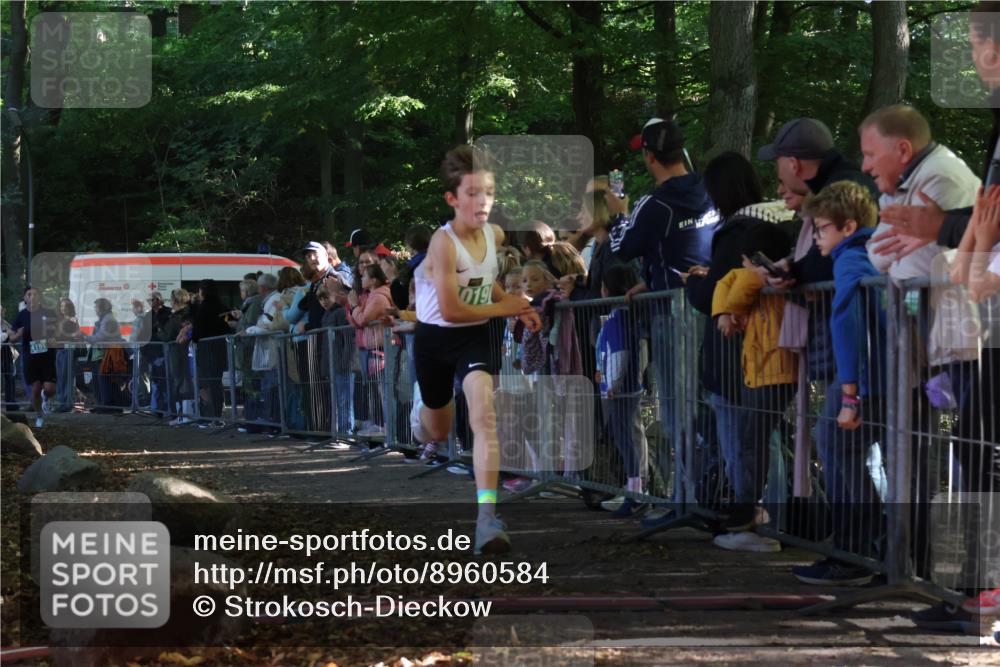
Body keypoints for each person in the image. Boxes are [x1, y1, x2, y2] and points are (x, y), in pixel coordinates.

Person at [410, 144, 540, 555]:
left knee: (484, 415)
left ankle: (487, 516)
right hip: (435, 338)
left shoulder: (494, 234)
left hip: (476, 334)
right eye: (471, 193)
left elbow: (487, 281)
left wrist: (512, 308)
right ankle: (420, 419)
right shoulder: (442, 244)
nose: (482, 201)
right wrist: (508, 307)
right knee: (439, 430)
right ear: (452, 199)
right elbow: (450, 309)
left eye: (488, 192)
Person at [680, 151, 784, 535]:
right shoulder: (774, 225)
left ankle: (751, 523)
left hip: (733, 356)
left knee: (740, 442)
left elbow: (713, 297)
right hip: (770, 352)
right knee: (763, 440)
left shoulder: (735, 231)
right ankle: (774, 517)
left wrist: (695, 282)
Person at [608, 118, 719, 475]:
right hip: (718, 304)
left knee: (677, 410)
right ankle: (718, 494)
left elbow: (622, 249)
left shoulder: (653, 204)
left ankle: (693, 497)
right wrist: (653, 278)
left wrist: (618, 216)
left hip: (676, 315)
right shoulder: (711, 188)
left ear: (650, 156)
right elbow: (689, 249)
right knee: (714, 402)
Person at [795, 181, 888, 586]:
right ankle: (867, 547)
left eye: (821, 229)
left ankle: (855, 549)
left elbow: (847, 324)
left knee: (836, 448)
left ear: (848, 226)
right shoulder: (871, 253)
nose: (815, 239)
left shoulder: (851, 261)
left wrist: (851, 392)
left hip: (867, 379)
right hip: (882, 376)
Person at [711, 224, 797, 552]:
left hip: (773, 372)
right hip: (759, 372)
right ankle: (750, 513)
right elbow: (725, 283)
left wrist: (733, 309)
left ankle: (752, 515)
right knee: (751, 443)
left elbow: (741, 283)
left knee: (753, 445)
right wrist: (724, 312)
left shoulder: (767, 278)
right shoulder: (757, 279)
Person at [596, 264, 649, 517]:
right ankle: (635, 490)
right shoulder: (628, 317)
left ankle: (635, 492)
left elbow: (619, 354)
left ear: (606, 290)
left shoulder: (618, 320)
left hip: (620, 391)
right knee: (628, 439)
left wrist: (612, 385)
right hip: (626, 388)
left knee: (626, 441)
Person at [348, 261, 393, 437]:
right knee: (375, 388)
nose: (362, 278)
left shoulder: (378, 297)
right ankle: (380, 425)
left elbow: (363, 320)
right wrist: (355, 310)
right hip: (373, 347)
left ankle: (387, 428)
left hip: (380, 346)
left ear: (373, 280)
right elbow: (356, 321)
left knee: (382, 389)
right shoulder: (372, 296)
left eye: (365, 276)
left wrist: (353, 306)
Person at [8, 287, 58, 427]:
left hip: (47, 356)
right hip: (30, 356)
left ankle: (46, 397)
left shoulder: (48, 313)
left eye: (35, 294)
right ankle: (39, 416)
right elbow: (11, 336)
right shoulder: (21, 315)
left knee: (50, 389)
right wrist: (18, 335)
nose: (32, 297)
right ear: (25, 298)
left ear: (39, 297)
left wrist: (54, 339)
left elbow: (57, 331)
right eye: (29, 294)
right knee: (35, 389)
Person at [190, 279, 230, 422]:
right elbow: (226, 324)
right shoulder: (222, 306)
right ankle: (217, 413)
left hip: (206, 351)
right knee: (216, 382)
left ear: (203, 291)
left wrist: (194, 338)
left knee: (207, 383)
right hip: (219, 350)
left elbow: (198, 329)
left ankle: (210, 415)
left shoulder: (204, 307)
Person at [164, 289, 194, 425]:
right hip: (183, 353)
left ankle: (182, 415)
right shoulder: (188, 315)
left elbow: (166, 335)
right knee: (184, 382)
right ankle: (184, 415)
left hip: (178, 353)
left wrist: (160, 329)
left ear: (175, 301)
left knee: (180, 383)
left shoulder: (177, 317)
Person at [140, 292, 172, 415]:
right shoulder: (148, 315)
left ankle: (167, 409)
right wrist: (144, 352)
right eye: (148, 300)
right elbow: (143, 334)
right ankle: (157, 409)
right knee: (156, 382)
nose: (149, 302)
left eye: (152, 300)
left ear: (159, 300)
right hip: (152, 353)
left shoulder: (168, 312)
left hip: (165, 352)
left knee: (166, 381)